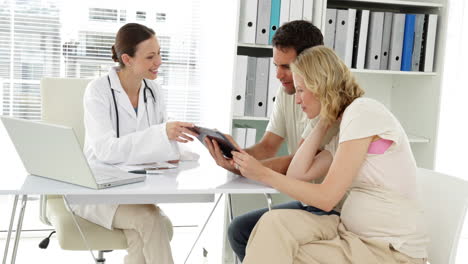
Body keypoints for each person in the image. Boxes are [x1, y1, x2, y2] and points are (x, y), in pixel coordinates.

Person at [231, 46, 429, 264]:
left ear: (321, 86)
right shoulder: (342, 124)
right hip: (350, 234)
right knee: (274, 223)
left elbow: (326, 198)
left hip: (388, 250)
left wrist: (262, 174)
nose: (297, 100)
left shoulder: (363, 113)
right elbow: (298, 174)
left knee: (282, 254)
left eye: (301, 90)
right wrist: (324, 122)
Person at [205, 20, 338, 261]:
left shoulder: (329, 98)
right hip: (307, 201)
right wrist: (234, 153)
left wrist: (244, 168)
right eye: (275, 65)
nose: (278, 75)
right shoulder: (287, 93)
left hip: (331, 206)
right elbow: (268, 146)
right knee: (240, 229)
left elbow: (300, 162)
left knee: (253, 231)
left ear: (311, 62)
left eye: (286, 67)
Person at [68, 23, 198, 264]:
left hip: (137, 190)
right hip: (96, 191)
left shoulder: (154, 91)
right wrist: (161, 135)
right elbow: (105, 150)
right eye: (150, 56)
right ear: (127, 59)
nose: (158, 61)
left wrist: (185, 143)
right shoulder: (98, 91)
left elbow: (161, 144)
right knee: (150, 221)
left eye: (159, 53)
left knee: (141, 237)